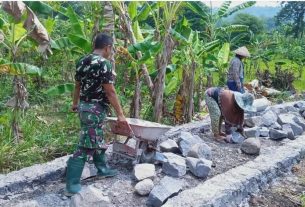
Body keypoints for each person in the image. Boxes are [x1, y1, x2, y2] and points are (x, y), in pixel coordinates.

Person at [65, 33, 132, 196]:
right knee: (84, 145)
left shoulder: (82, 61)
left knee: (97, 138)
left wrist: (75, 103)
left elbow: (77, 85)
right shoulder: (104, 64)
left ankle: (103, 169)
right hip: (95, 109)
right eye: (112, 48)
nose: (111, 51)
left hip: (84, 107)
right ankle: (71, 185)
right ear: (107, 47)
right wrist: (121, 114)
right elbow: (110, 91)